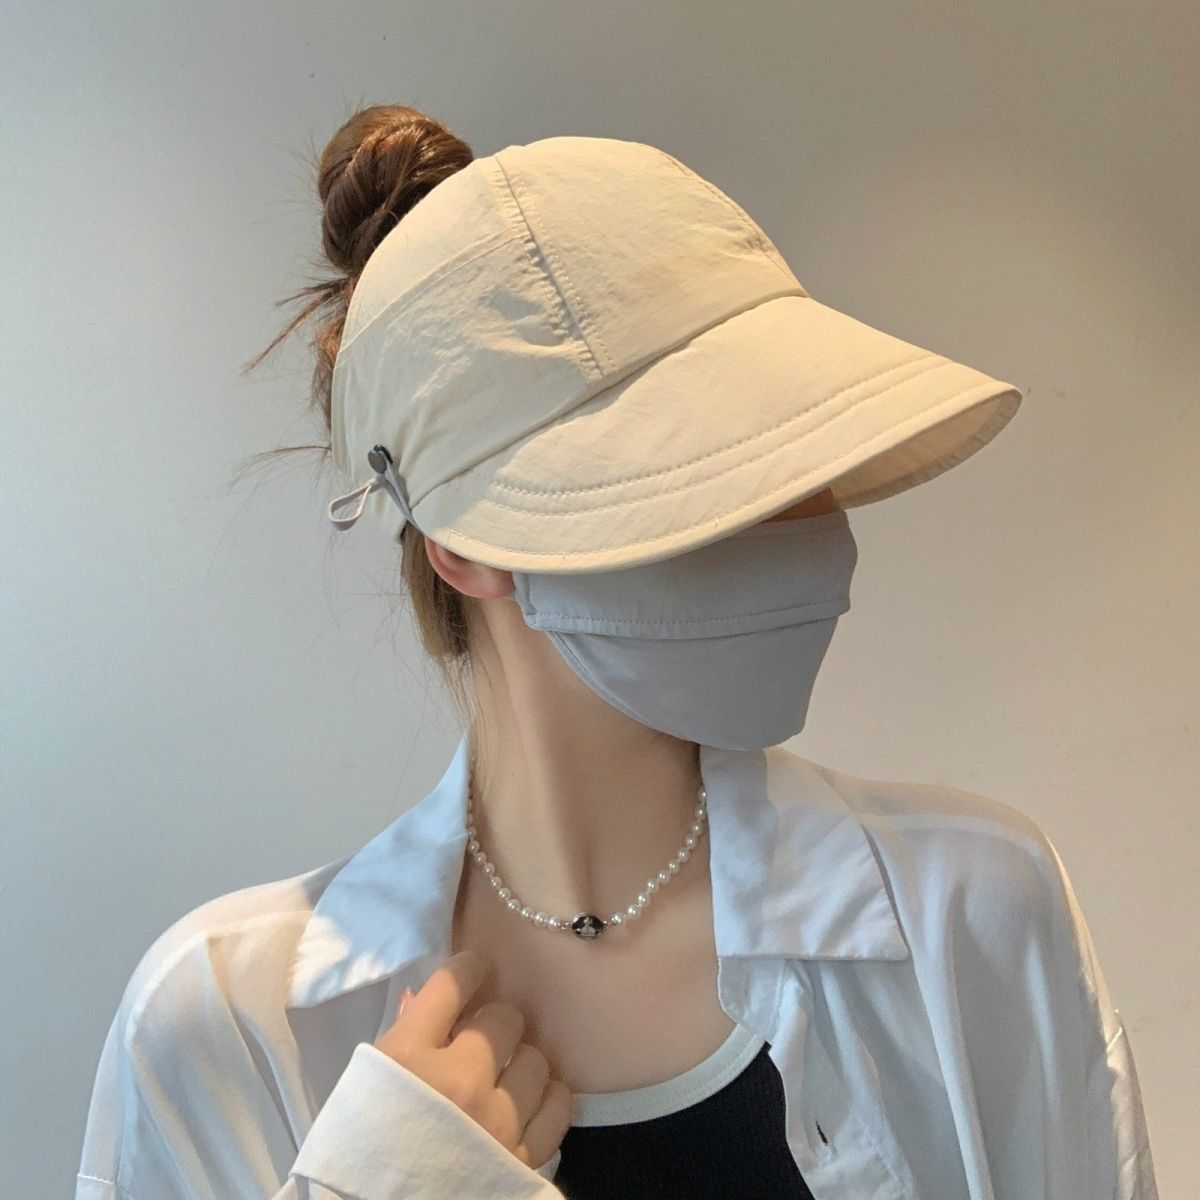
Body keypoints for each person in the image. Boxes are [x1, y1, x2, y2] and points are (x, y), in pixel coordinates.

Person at [75, 106, 1159, 1200]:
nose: (807, 526)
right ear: (463, 544)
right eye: (703, 468)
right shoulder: (222, 1027)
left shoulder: (974, 916)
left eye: (800, 451)